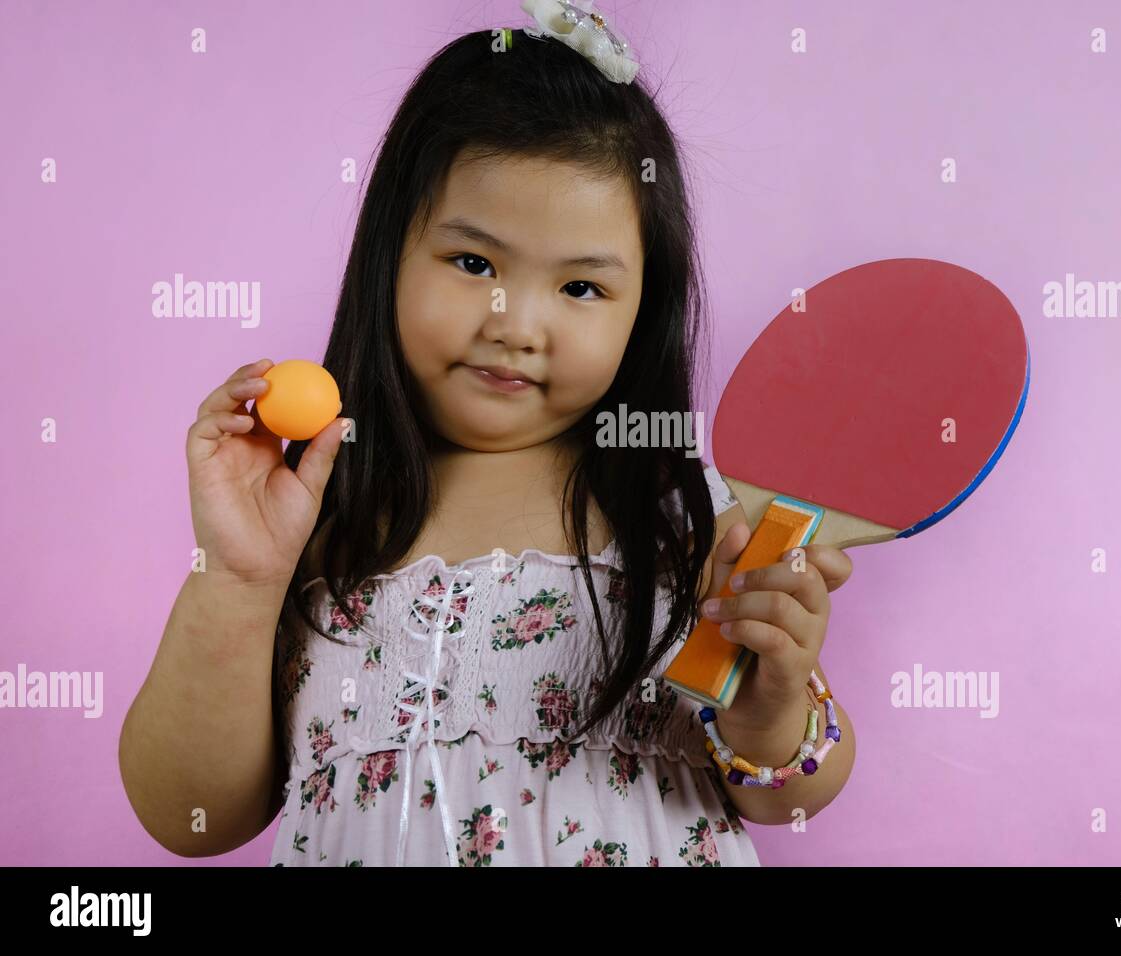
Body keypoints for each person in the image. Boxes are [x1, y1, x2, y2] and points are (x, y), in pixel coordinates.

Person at [120, 3, 855, 867]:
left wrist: (767, 707)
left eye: (581, 288)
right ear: (390, 253)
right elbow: (190, 816)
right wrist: (241, 578)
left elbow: (792, 791)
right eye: (474, 264)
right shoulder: (319, 514)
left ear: (642, 311)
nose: (517, 324)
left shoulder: (684, 509)